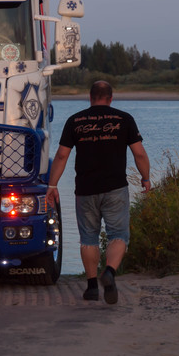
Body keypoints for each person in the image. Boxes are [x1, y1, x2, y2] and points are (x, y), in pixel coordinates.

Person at [46, 81, 151, 304]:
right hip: (115, 188)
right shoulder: (124, 119)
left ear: (90, 97)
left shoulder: (75, 121)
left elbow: (62, 156)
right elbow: (139, 154)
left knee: (88, 239)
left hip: (85, 190)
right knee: (119, 235)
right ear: (111, 98)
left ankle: (92, 287)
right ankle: (110, 272)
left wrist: (52, 185)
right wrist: (145, 178)